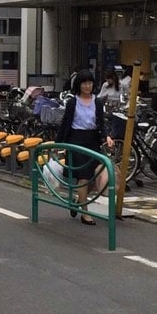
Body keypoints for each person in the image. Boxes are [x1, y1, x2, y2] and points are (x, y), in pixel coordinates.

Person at [56, 70, 114, 225]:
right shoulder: (72, 102)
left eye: (90, 83)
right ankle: (84, 213)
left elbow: (101, 123)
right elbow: (65, 124)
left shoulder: (98, 102)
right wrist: (58, 143)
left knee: (97, 174)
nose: (87, 86)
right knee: (83, 176)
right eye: (84, 83)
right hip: (76, 140)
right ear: (79, 85)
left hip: (93, 140)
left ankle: (78, 200)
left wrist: (106, 137)